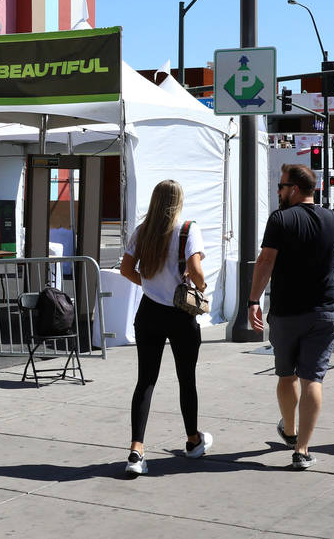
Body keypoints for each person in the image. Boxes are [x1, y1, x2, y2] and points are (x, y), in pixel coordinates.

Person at [247, 164, 334, 470]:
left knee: (286, 375)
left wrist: (252, 300)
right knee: (313, 378)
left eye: (281, 186)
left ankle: (289, 430)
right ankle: (302, 449)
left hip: (287, 312)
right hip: (323, 312)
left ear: (295, 189)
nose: (278, 192)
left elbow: (265, 261)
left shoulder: (281, 219)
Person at [119, 179, 211, 477]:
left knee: (145, 380)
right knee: (186, 378)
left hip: (149, 311)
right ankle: (193, 440)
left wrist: (148, 284)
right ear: (178, 201)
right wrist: (201, 286)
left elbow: (125, 268)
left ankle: (136, 449)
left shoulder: (142, 230)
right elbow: (197, 270)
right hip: (180, 314)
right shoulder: (187, 229)